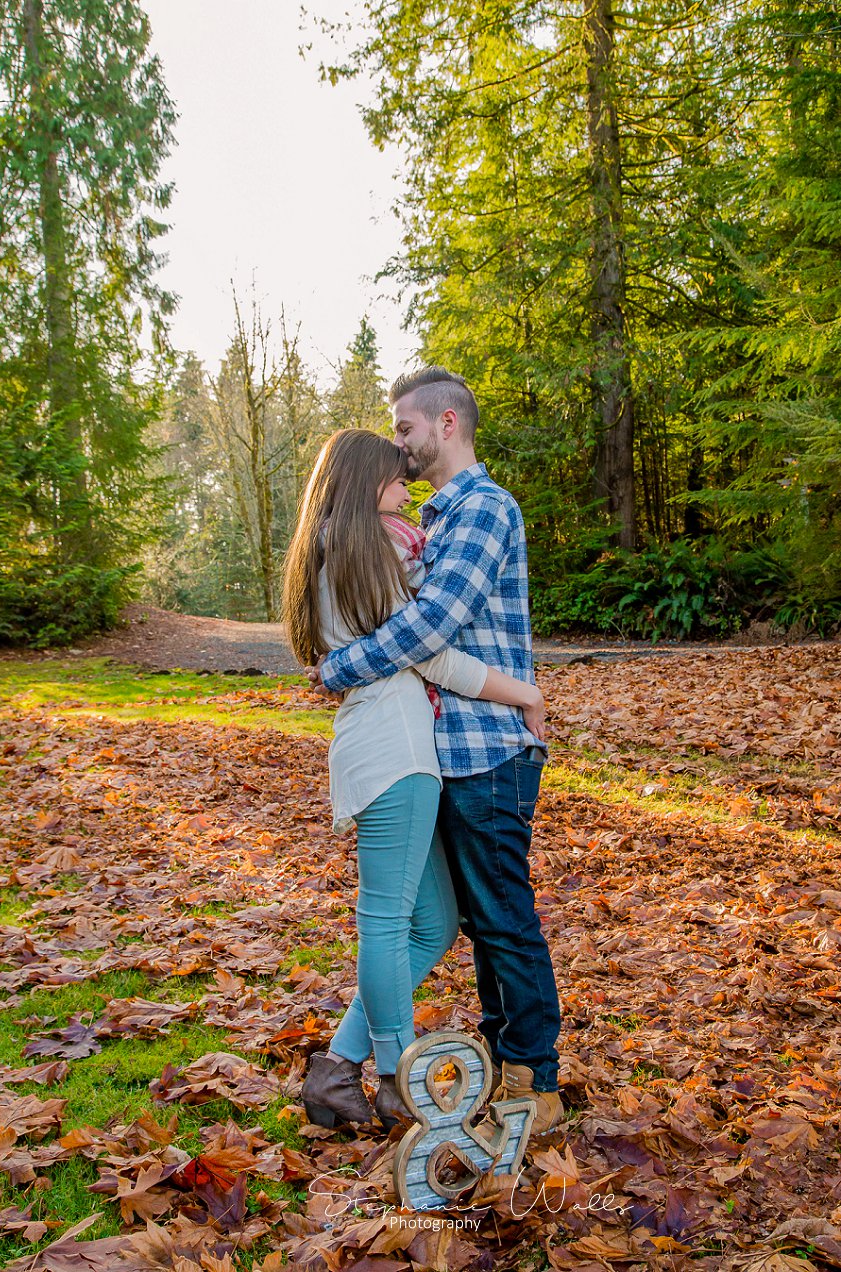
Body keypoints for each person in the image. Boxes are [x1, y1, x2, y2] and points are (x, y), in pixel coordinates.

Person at [309, 367, 563, 1135]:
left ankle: (532, 1080)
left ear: (445, 423)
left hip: (484, 751)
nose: (399, 444)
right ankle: (492, 1059)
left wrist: (337, 669)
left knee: (499, 918)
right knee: (470, 922)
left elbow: (428, 631)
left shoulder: (481, 509)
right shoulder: (428, 522)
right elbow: (406, 625)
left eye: (405, 428)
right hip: (438, 750)